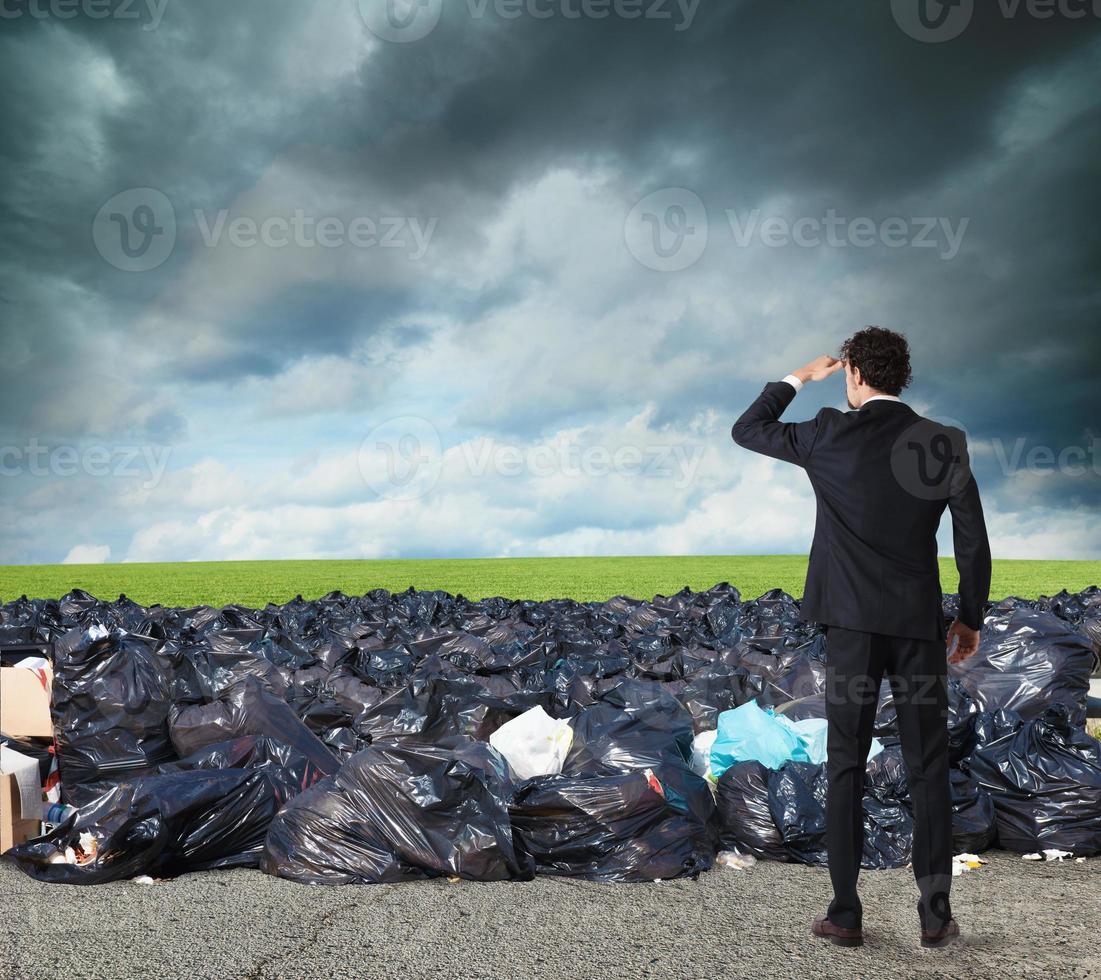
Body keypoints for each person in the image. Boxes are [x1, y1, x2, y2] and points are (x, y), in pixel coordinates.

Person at [731, 326, 991, 949]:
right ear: (903, 377)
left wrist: (799, 375)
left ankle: (845, 912)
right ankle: (935, 915)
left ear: (853, 374)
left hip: (849, 627)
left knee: (845, 762)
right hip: (917, 627)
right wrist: (970, 618)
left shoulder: (825, 431)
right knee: (929, 765)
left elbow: (747, 428)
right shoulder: (941, 441)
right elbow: (972, 541)